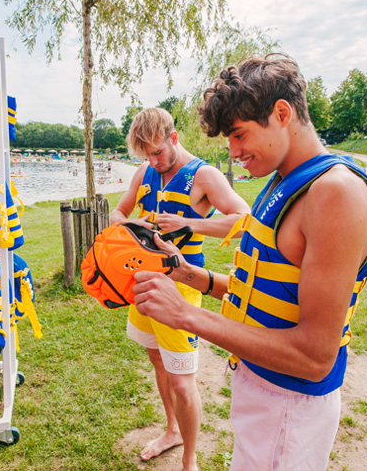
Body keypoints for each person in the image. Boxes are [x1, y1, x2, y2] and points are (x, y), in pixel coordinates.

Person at [131, 55, 367, 471]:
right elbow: (264, 291)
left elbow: (314, 356)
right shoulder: (286, 180)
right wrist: (189, 274)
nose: (233, 153)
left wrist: (187, 316)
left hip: (291, 405)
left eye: (238, 135)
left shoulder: (335, 192)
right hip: (263, 392)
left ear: (282, 113)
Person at [110, 107, 250, 471]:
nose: (152, 161)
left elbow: (242, 218)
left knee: (184, 383)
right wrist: (131, 224)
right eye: (145, 155)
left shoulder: (203, 174)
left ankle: (190, 460)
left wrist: (189, 223)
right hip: (143, 284)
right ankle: (172, 430)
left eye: (157, 152)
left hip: (182, 288)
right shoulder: (145, 170)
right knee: (157, 359)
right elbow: (116, 214)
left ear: (173, 138)